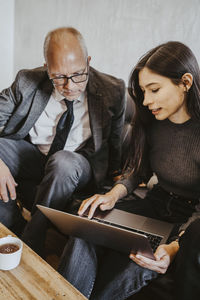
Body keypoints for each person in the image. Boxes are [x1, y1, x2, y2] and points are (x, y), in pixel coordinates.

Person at [58, 41, 200, 300]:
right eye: (143, 92)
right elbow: (138, 171)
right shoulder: (154, 121)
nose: (146, 101)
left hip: (189, 222)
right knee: (86, 226)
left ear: (186, 82)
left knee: (138, 264)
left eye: (154, 90)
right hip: (154, 205)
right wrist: (113, 195)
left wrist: (174, 248)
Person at [0, 27, 125, 254]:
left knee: (63, 161)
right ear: (47, 68)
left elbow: (115, 145)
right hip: (35, 156)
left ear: (88, 61)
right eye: (59, 77)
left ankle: (31, 244)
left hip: (77, 164)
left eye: (78, 74)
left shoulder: (112, 90)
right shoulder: (26, 81)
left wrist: (118, 182)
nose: (70, 86)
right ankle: (14, 228)